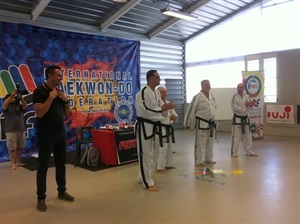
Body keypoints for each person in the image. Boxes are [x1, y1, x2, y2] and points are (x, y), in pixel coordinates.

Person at [33, 65, 74, 212]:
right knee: (43, 166)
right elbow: (39, 113)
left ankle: (62, 191)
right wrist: (50, 98)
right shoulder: (39, 91)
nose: (61, 77)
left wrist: (65, 101)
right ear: (49, 76)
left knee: (61, 164)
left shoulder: (60, 92)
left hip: (60, 133)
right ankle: (41, 198)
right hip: (45, 134)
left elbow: (67, 114)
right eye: (58, 75)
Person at [135, 70, 176, 192]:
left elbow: (161, 112)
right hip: (145, 127)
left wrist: (166, 110)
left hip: (155, 127)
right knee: (145, 155)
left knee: (155, 153)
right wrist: (162, 109)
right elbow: (145, 111)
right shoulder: (142, 93)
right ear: (151, 79)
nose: (159, 79)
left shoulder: (157, 93)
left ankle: (143, 176)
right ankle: (147, 183)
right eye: (157, 77)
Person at [183, 80, 217, 167]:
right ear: (201, 86)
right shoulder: (197, 96)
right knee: (200, 143)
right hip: (201, 122)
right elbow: (190, 110)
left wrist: (215, 118)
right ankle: (199, 161)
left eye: (209, 84)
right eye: (206, 84)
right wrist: (187, 123)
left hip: (211, 123)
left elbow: (215, 107)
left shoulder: (212, 95)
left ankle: (208, 158)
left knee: (210, 142)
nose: (208, 86)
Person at [2, 89, 28, 170]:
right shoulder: (6, 107)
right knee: (12, 148)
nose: (13, 99)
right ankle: (13, 163)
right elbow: (4, 104)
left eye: (14, 98)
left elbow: (25, 106)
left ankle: (18, 161)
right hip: (11, 130)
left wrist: (21, 98)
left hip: (21, 129)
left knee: (20, 147)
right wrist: (12, 95)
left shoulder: (18, 106)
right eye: (11, 98)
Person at [231, 83, 257, 157]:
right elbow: (235, 108)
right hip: (238, 118)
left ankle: (249, 151)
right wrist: (245, 105)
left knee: (248, 136)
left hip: (246, 118)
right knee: (237, 136)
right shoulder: (234, 97)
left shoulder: (247, 96)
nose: (240, 88)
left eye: (241, 87)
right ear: (237, 88)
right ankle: (235, 152)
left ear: (244, 88)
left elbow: (251, 106)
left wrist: (251, 104)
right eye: (238, 87)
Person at [156, 85, 177, 174]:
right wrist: (169, 117)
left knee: (169, 148)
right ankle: (159, 167)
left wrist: (175, 116)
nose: (165, 93)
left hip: (168, 128)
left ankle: (168, 164)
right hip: (161, 128)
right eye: (163, 92)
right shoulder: (157, 104)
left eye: (166, 91)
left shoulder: (168, 103)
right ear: (158, 93)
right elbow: (158, 116)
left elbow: (174, 113)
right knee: (162, 148)